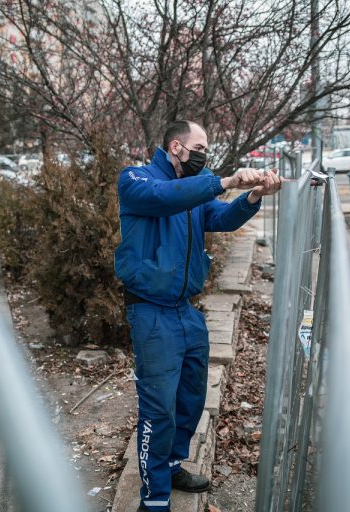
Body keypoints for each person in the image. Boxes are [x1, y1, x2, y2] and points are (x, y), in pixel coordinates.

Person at [115, 120, 282, 512]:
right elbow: (165, 197)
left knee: (190, 398)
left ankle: (172, 467)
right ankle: (153, 500)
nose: (205, 154)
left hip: (186, 311)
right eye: (200, 146)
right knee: (158, 409)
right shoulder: (136, 179)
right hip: (150, 312)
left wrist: (253, 196)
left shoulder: (196, 184)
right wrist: (224, 181)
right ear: (176, 147)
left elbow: (218, 219)